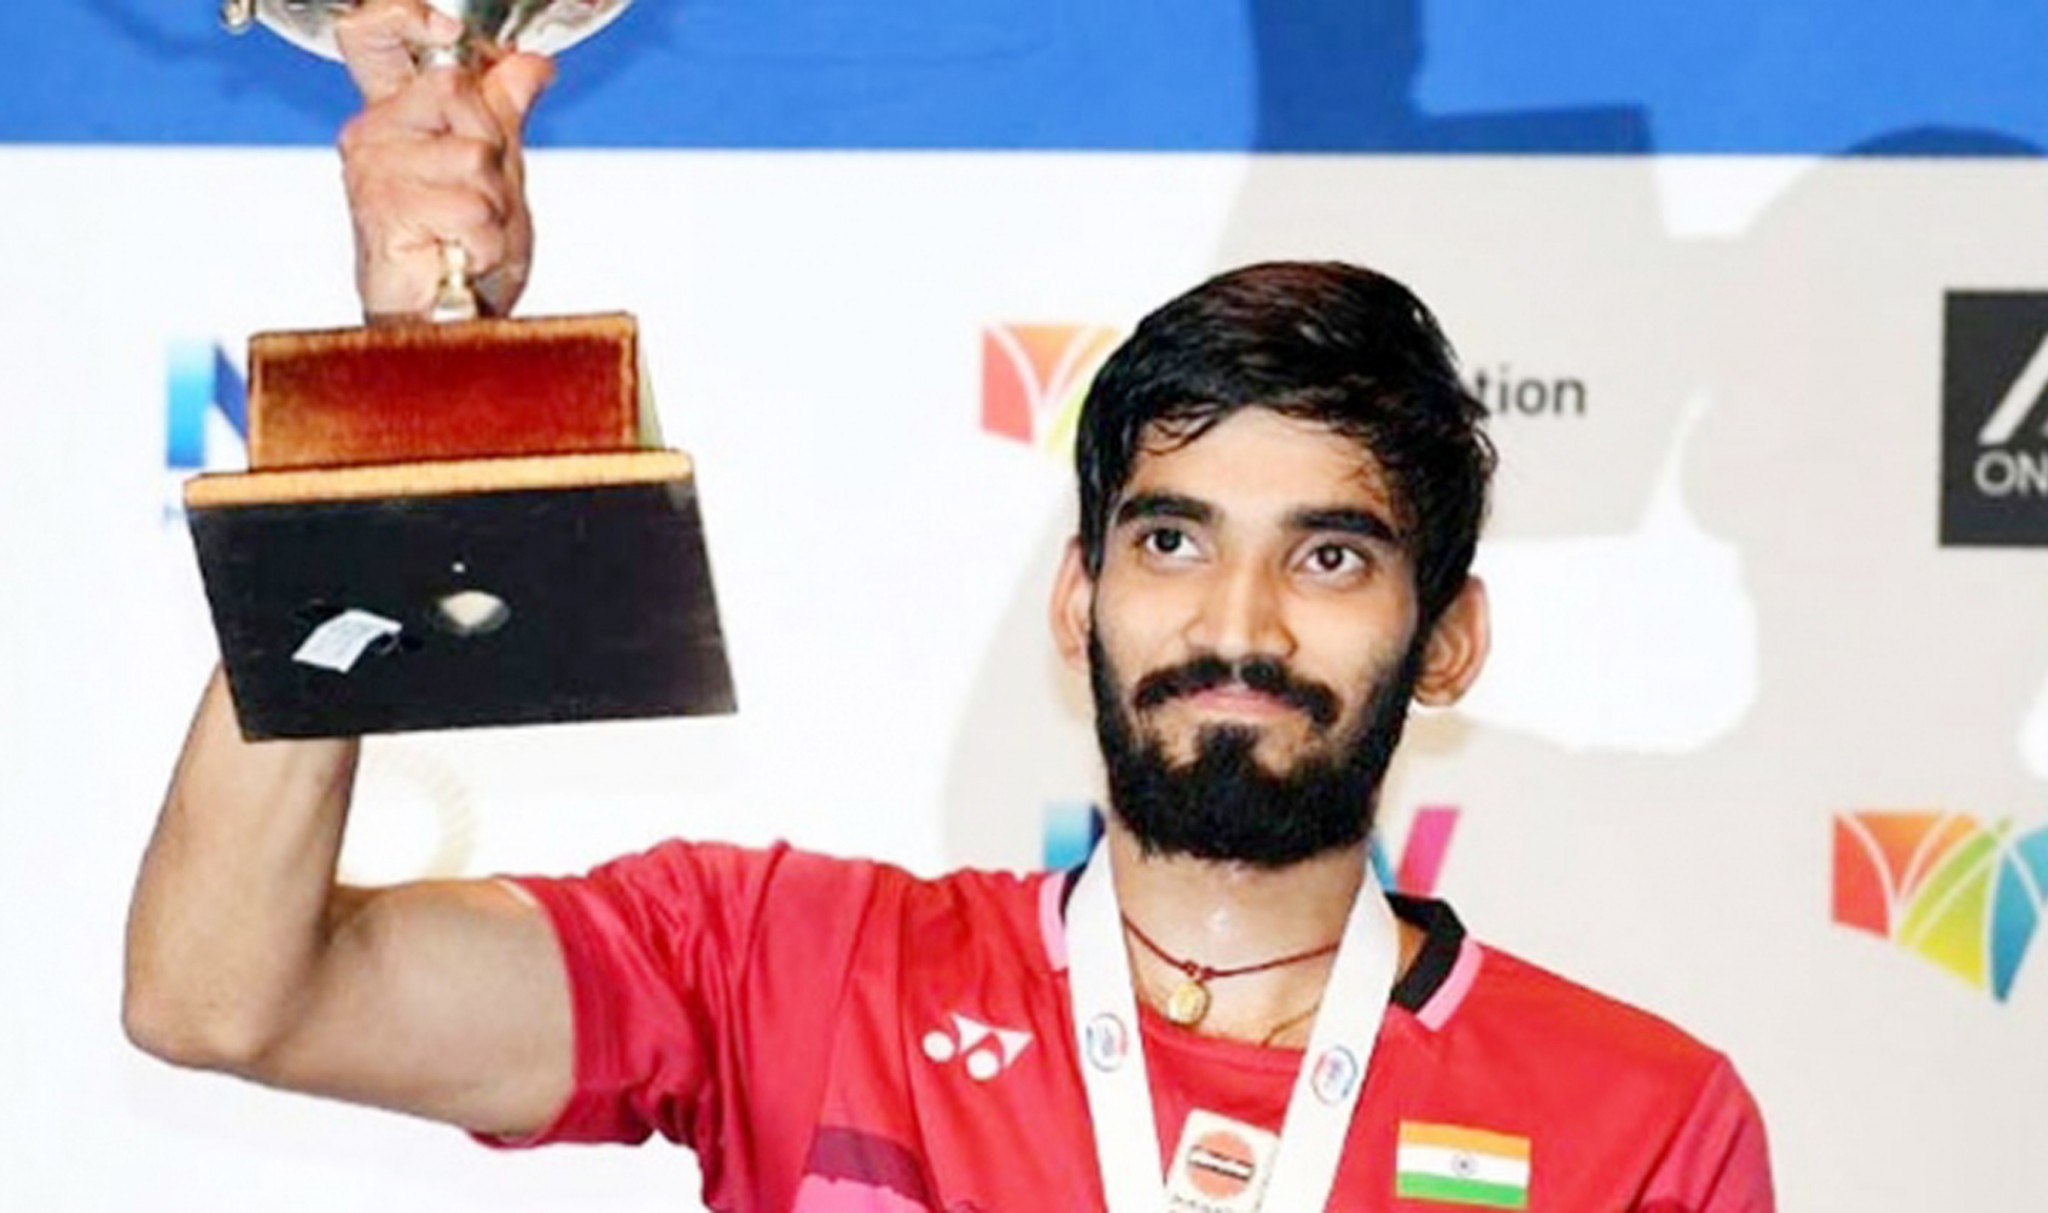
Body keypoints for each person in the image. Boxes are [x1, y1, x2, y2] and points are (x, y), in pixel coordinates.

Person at [124, 2, 1774, 1208]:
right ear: (1079, 599)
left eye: (1330, 556)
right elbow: (219, 992)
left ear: (1453, 634)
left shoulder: (1644, 1125)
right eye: (1175, 541)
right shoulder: (791, 971)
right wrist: (415, 379)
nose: (1242, 624)